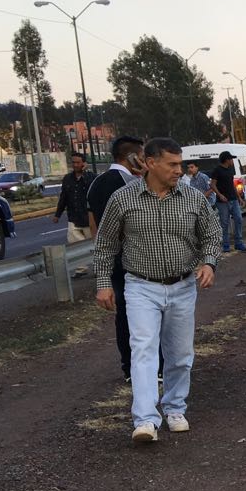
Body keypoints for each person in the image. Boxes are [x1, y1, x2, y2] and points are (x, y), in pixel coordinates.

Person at [92, 138, 222, 444]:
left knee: (179, 354)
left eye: (180, 164)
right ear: (150, 163)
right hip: (140, 287)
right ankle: (146, 420)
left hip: (182, 286)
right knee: (143, 351)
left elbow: (212, 233)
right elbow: (105, 244)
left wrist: (209, 263)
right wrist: (103, 284)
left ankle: (175, 408)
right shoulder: (123, 199)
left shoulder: (192, 198)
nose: (180, 170)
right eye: (172, 164)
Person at [87, 135, 147, 380]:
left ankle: (128, 367)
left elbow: (93, 226)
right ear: (132, 157)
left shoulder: (96, 184)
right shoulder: (130, 183)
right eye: (142, 157)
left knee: (123, 314)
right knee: (145, 315)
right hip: (135, 259)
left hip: (112, 259)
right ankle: (152, 367)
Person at [54, 152, 95, 277]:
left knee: (92, 245)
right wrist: (58, 214)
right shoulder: (67, 179)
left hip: (88, 217)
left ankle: (99, 269)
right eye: (73, 162)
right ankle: (80, 269)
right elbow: (63, 197)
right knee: (75, 244)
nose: (75, 165)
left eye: (78, 162)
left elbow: (92, 190)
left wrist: (85, 174)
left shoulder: (91, 177)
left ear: (83, 163)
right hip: (73, 217)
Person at [210, 150, 246, 252]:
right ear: (227, 160)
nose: (232, 161)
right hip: (222, 202)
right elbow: (212, 184)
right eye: (231, 159)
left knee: (238, 219)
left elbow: (232, 185)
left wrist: (239, 198)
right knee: (224, 223)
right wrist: (220, 195)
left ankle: (239, 243)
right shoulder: (217, 170)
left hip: (233, 199)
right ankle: (225, 245)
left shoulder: (230, 170)